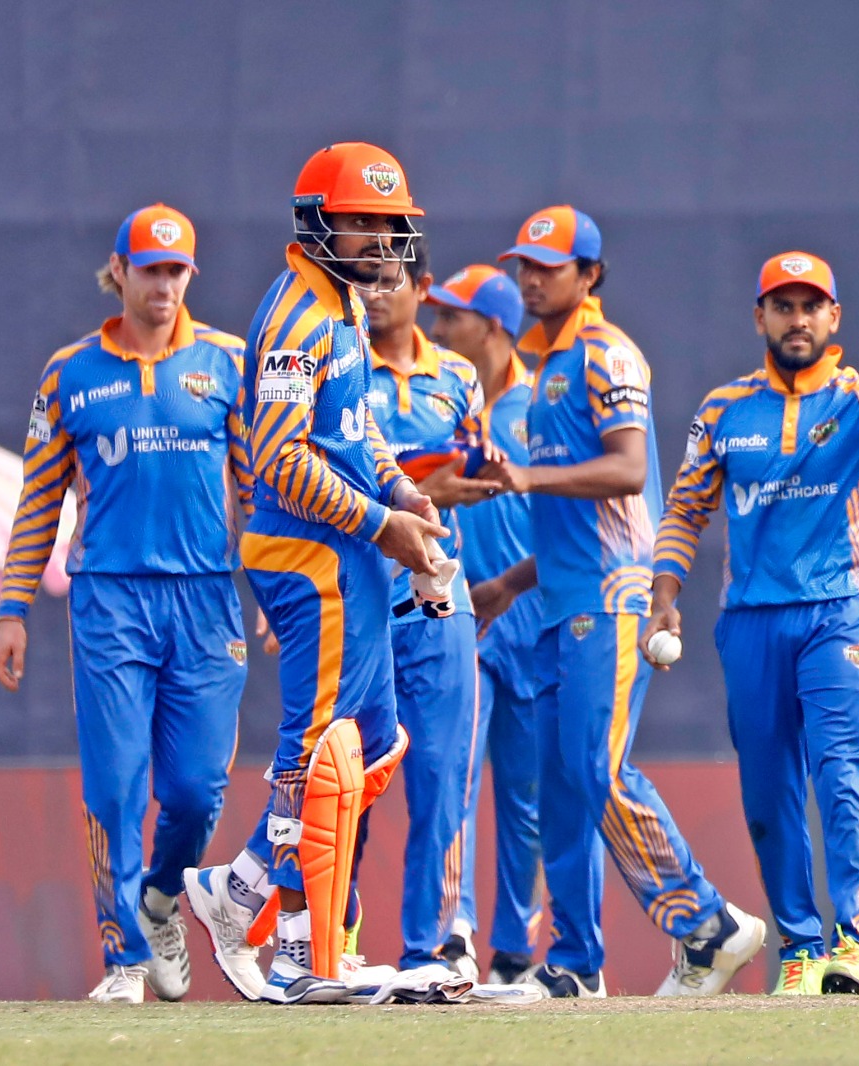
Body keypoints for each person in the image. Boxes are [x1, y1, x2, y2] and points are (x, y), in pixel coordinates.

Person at [473, 205, 765, 998]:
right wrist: (508, 582)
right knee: (564, 780)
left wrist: (528, 478)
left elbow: (630, 471)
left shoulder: (606, 355)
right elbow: (576, 520)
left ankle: (709, 925)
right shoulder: (548, 369)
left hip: (613, 602)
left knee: (593, 771)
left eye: (549, 265)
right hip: (562, 600)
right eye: (524, 265)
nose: (530, 278)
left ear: (589, 274)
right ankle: (574, 964)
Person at [180, 142, 446, 1005]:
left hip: (349, 547)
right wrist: (384, 524)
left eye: (388, 222)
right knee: (319, 750)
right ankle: (293, 947)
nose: (378, 237)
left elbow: (353, 427)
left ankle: (250, 894)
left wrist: (402, 487)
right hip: (309, 552)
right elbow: (275, 458)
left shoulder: (342, 307)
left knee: (371, 744)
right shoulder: (299, 312)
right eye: (361, 221)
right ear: (318, 222)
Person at [649, 252, 859, 997]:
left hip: (839, 615)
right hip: (749, 624)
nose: (798, 319)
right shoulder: (722, 411)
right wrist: (665, 590)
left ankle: (856, 943)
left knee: (842, 777)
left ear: (834, 317)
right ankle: (802, 950)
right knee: (768, 795)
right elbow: (684, 509)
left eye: (812, 305)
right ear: (760, 318)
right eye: (783, 305)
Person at [0, 204, 252, 1004]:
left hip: (206, 599)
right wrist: (12, 608)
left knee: (198, 787)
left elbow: (259, 486)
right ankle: (126, 957)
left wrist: (275, 593)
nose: (165, 285)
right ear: (120, 271)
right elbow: (39, 498)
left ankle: (164, 896)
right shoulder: (70, 372)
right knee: (115, 784)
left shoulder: (228, 361)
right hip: (109, 600)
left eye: (178, 272)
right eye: (151, 270)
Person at [357, 249, 498, 974]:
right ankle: (328, 946)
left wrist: (468, 476)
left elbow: (468, 468)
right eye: (364, 283)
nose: (375, 296)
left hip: (440, 600)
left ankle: (438, 942)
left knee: (445, 774)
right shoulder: (339, 367)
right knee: (349, 781)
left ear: (422, 289)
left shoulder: (459, 376)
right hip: (356, 605)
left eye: (390, 282)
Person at [425, 264, 546, 985]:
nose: (438, 331)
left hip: (533, 617)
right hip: (463, 617)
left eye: (452, 319)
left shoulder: (543, 404)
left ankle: (511, 951)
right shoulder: (443, 402)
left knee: (527, 795)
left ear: (493, 329)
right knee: (455, 777)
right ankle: (454, 933)